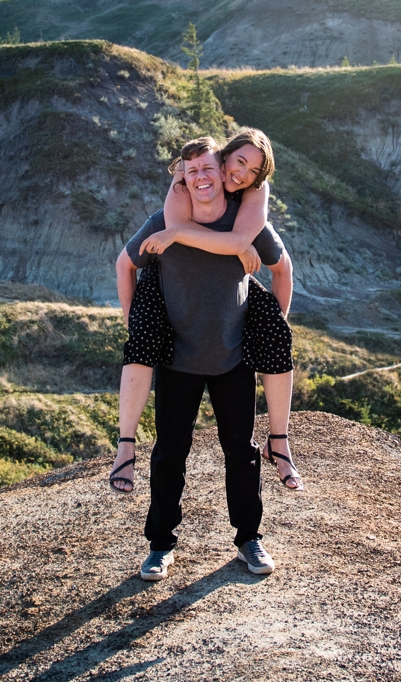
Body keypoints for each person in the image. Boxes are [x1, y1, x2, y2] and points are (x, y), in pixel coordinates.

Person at [111, 136, 290, 581]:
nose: (203, 178)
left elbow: (283, 269)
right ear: (182, 179)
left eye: (209, 168)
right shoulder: (162, 220)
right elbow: (125, 264)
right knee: (171, 452)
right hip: (177, 359)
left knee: (242, 453)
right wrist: (136, 324)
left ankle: (249, 539)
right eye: (192, 172)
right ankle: (159, 546)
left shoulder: (245, 227)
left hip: (232, 358)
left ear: (223, 168)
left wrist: (273, 322)